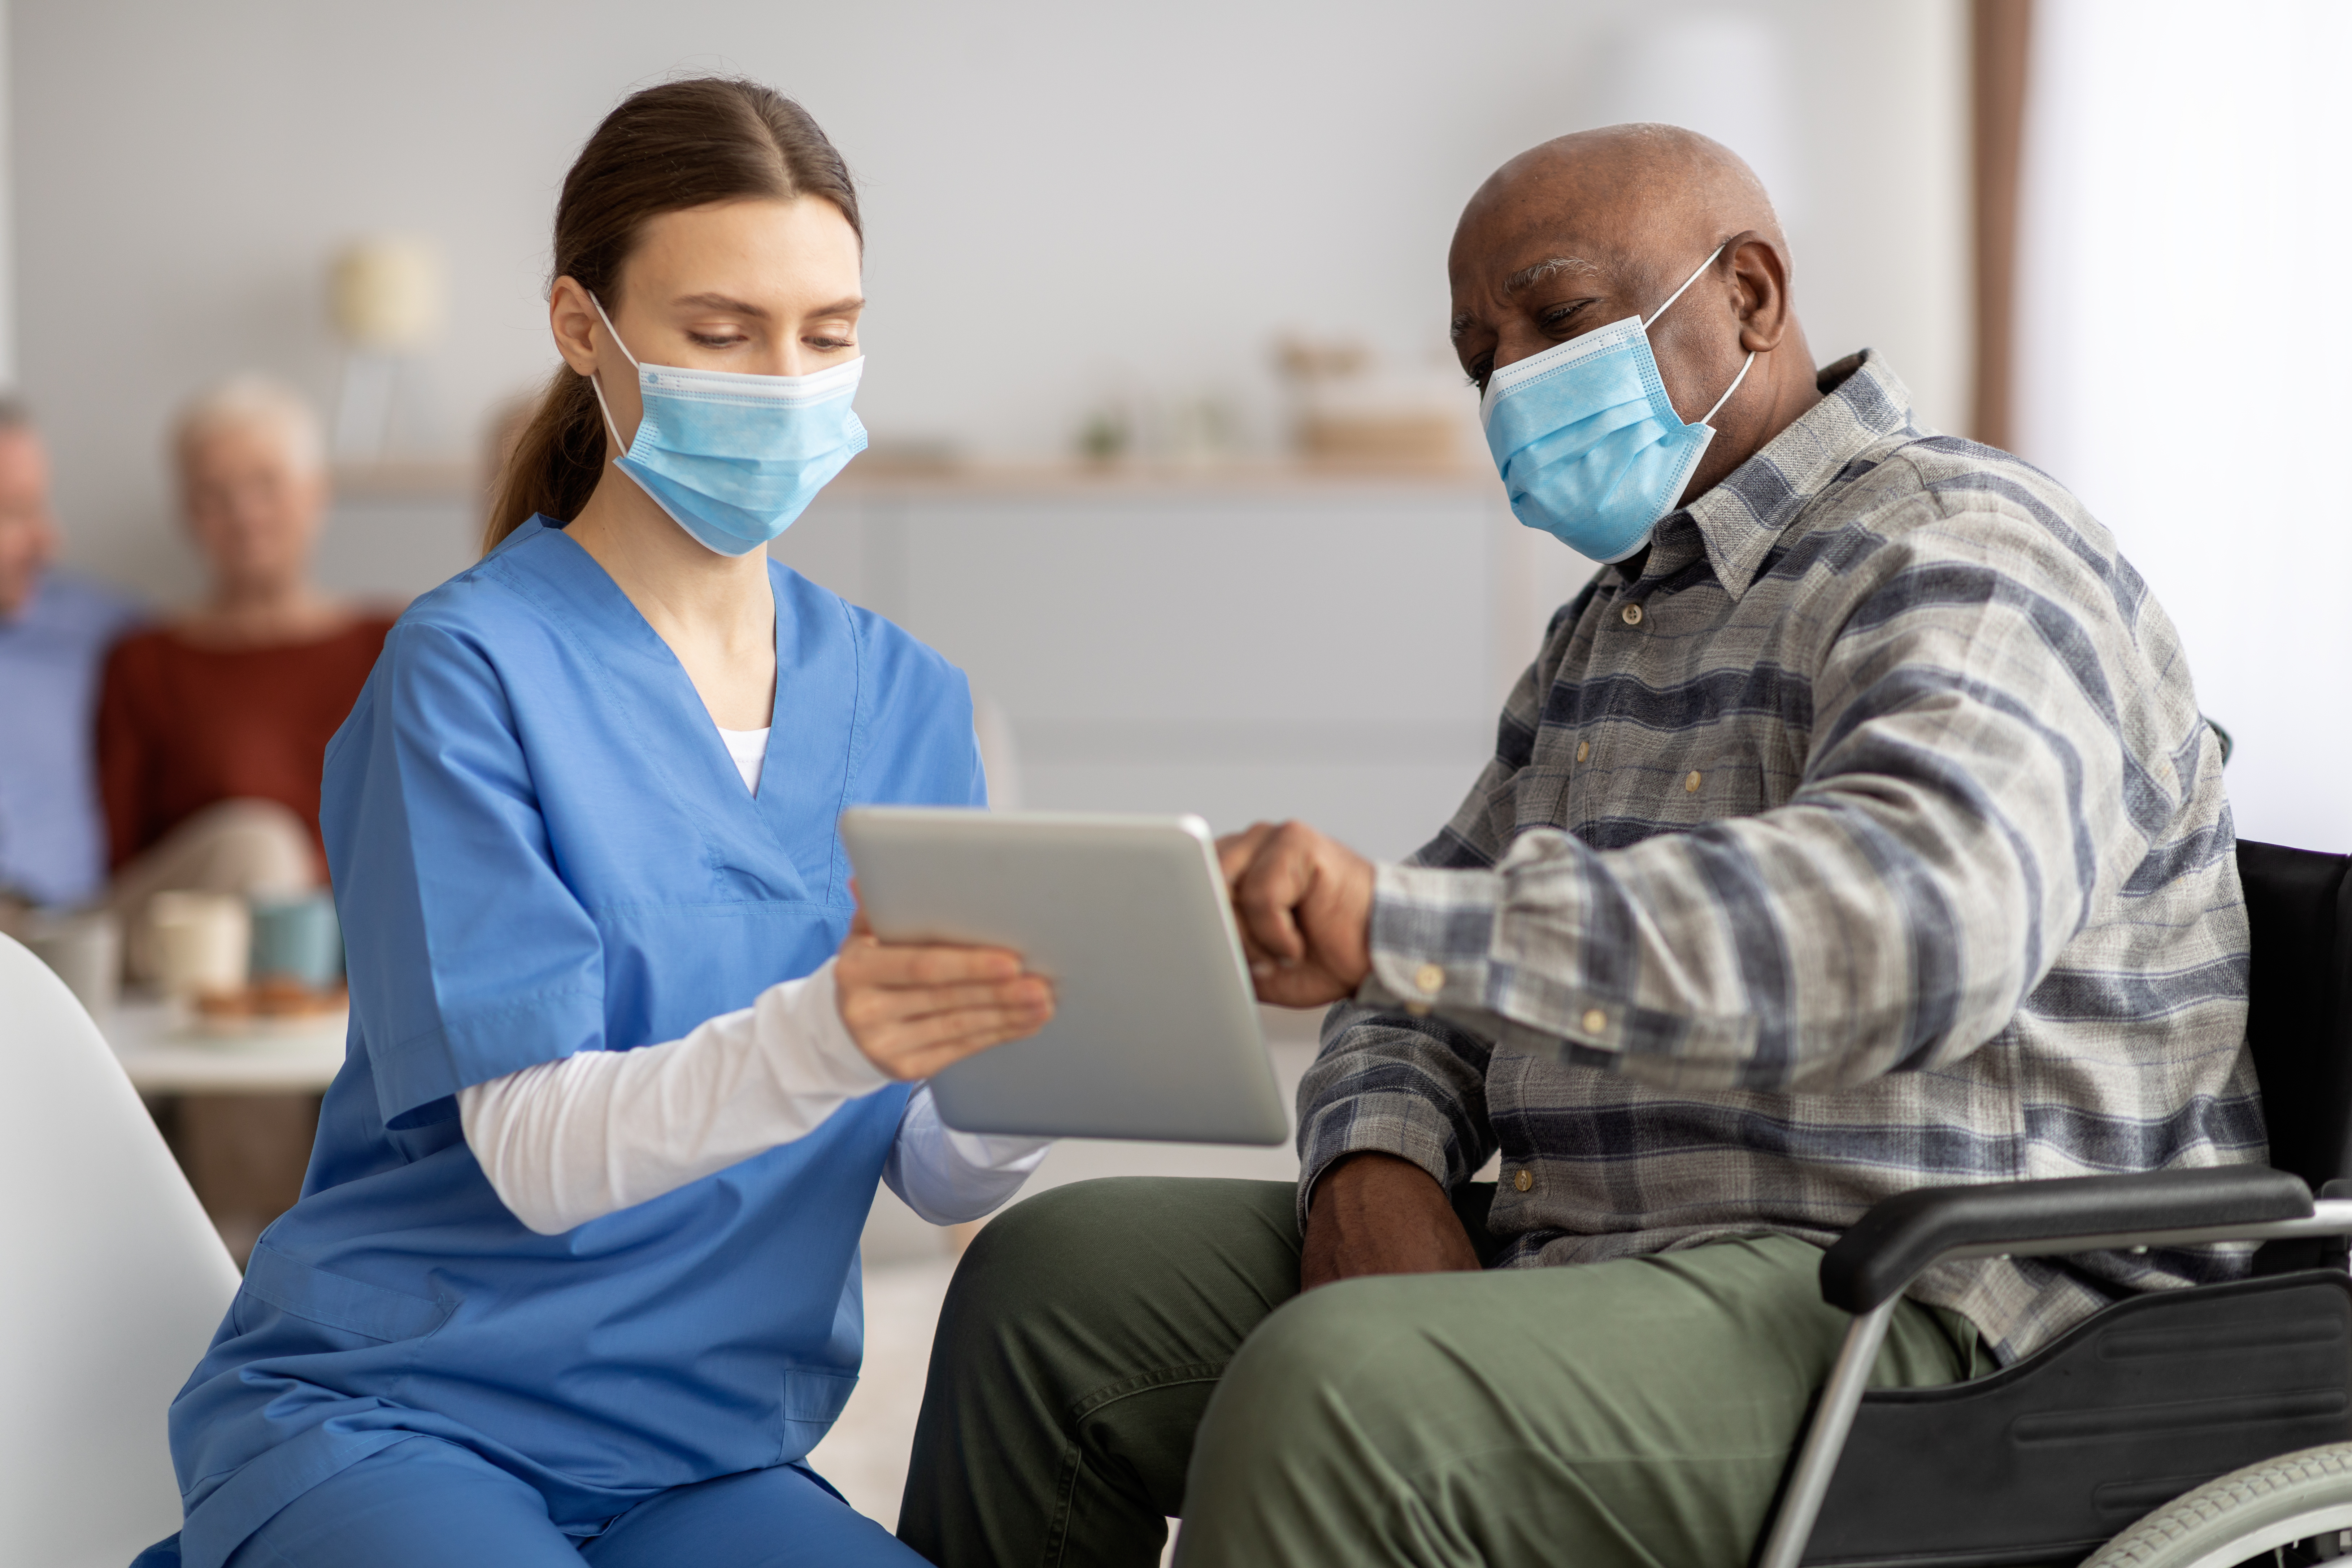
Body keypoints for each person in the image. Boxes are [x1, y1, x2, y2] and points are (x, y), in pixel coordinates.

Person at [900, 125, 2260, 1568]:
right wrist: (1377, 1171)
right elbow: (1418, 970)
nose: (1513, 384)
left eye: (1557, 317)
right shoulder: (1614, 622)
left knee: (1347, 1399)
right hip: (1608, 1247)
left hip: (1939, 1308)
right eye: (1481, 355)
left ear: (1749, 295)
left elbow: (1916, 927)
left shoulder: (1962, 552)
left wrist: (1389, 925)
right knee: (1048, 1287)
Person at [144, 79, 1055, 1568]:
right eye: (723, 333)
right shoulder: (469, 670)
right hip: (405, 1409)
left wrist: (1051, 1047)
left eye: (827, 334)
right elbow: (535, 1153)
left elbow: (931, 1164)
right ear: (583, 327)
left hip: (702, 1450)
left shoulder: (909, 702)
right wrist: (834, 1029)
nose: (786, 383)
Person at [98, 375, 397, 967]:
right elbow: (123, 851)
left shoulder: (390, 642)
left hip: (353, 926)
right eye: (214, 494)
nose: (244, 515)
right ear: (187, 513)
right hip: (186, 935)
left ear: (316, 493)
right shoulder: (144, 660)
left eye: (266, 485)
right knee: (258, 846)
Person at [0, 395, 143, 927]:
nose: (48, 541)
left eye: (42, 506)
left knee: (250, 845)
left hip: (81, 926)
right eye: (15, 513)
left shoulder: (101, 627)